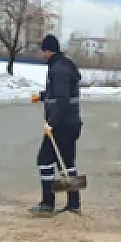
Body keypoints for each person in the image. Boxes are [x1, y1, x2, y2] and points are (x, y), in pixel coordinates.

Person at [30, 34, 83, 217]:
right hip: (69, 124)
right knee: (67, 164)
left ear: (49, 50)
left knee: (44, 160)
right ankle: (74, 204)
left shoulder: (58, 70)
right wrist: (41, 96)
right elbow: (58, 93)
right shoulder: (62, 66)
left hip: (62, 125)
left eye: (43, 51)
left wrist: (51, 124)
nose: (42, 55)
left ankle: (48, 203)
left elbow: (62, 100)